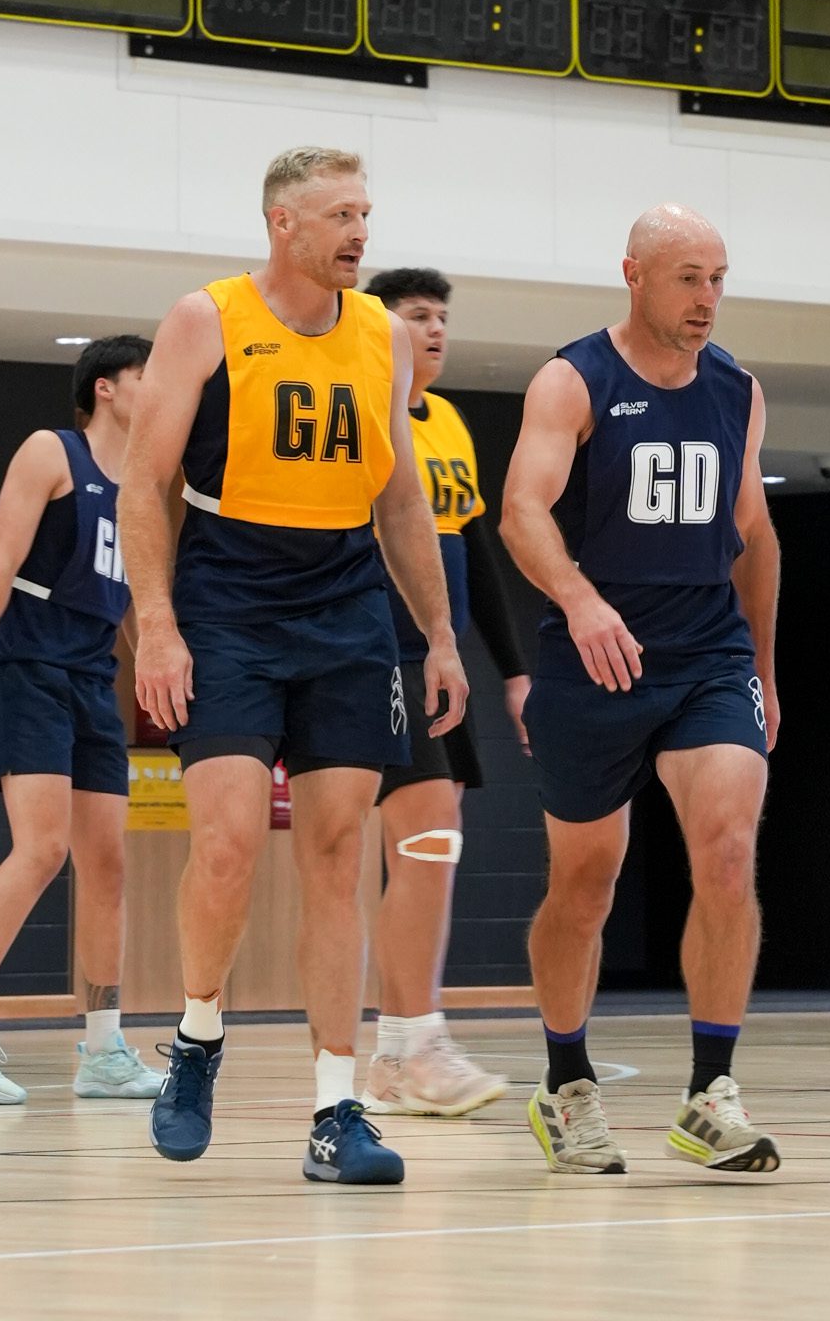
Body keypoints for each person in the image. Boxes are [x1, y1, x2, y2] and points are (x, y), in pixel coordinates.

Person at [118, 146, 467, 1186]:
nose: (360, 231)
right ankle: (197, 1033)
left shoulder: (384, 336)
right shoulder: (207, 318)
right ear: (283, 224)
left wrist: (440, 633)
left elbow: (403, 501)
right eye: (338, 215)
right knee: (224, 844)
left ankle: (334, 1107)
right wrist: (159, 622)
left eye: (366, 210)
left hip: (347, 601)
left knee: (335, 856)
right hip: (227, 594)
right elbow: (145, 483)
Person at [500, 205, 780, 1176]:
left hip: (707, 654)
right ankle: (565, 1081)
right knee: (585, 886)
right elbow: (521, 510)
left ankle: (710, 1091)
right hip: (597, 657)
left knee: (731, 847)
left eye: (718, 277)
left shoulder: (737, 388)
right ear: (635, 274)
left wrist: (765, 669)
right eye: (688, 277)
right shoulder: (575, 379)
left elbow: (754, 530)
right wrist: (577, 600)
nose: (707, 297)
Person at [0, 335, 162, 1105]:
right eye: (147, 374)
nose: (160, 387)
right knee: (43, 849)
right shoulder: (51, 453)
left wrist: (153, 661)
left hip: (92, 677)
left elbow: (123, 598)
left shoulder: (144, 483)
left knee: (109, 864)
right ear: (107, 388)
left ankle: (105, 1048)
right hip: (28, 668)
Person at [361, 267, 531, 1119]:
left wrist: (515, 669)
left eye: (440, 318)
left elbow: (476, 553)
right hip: (372, 656)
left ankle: (403, 1050)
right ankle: (407, 1046)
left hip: (436, 664)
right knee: (423, 842)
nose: (433, 330)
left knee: (429, 846)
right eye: (414, 316)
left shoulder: (451, 422)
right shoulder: (362, 416)